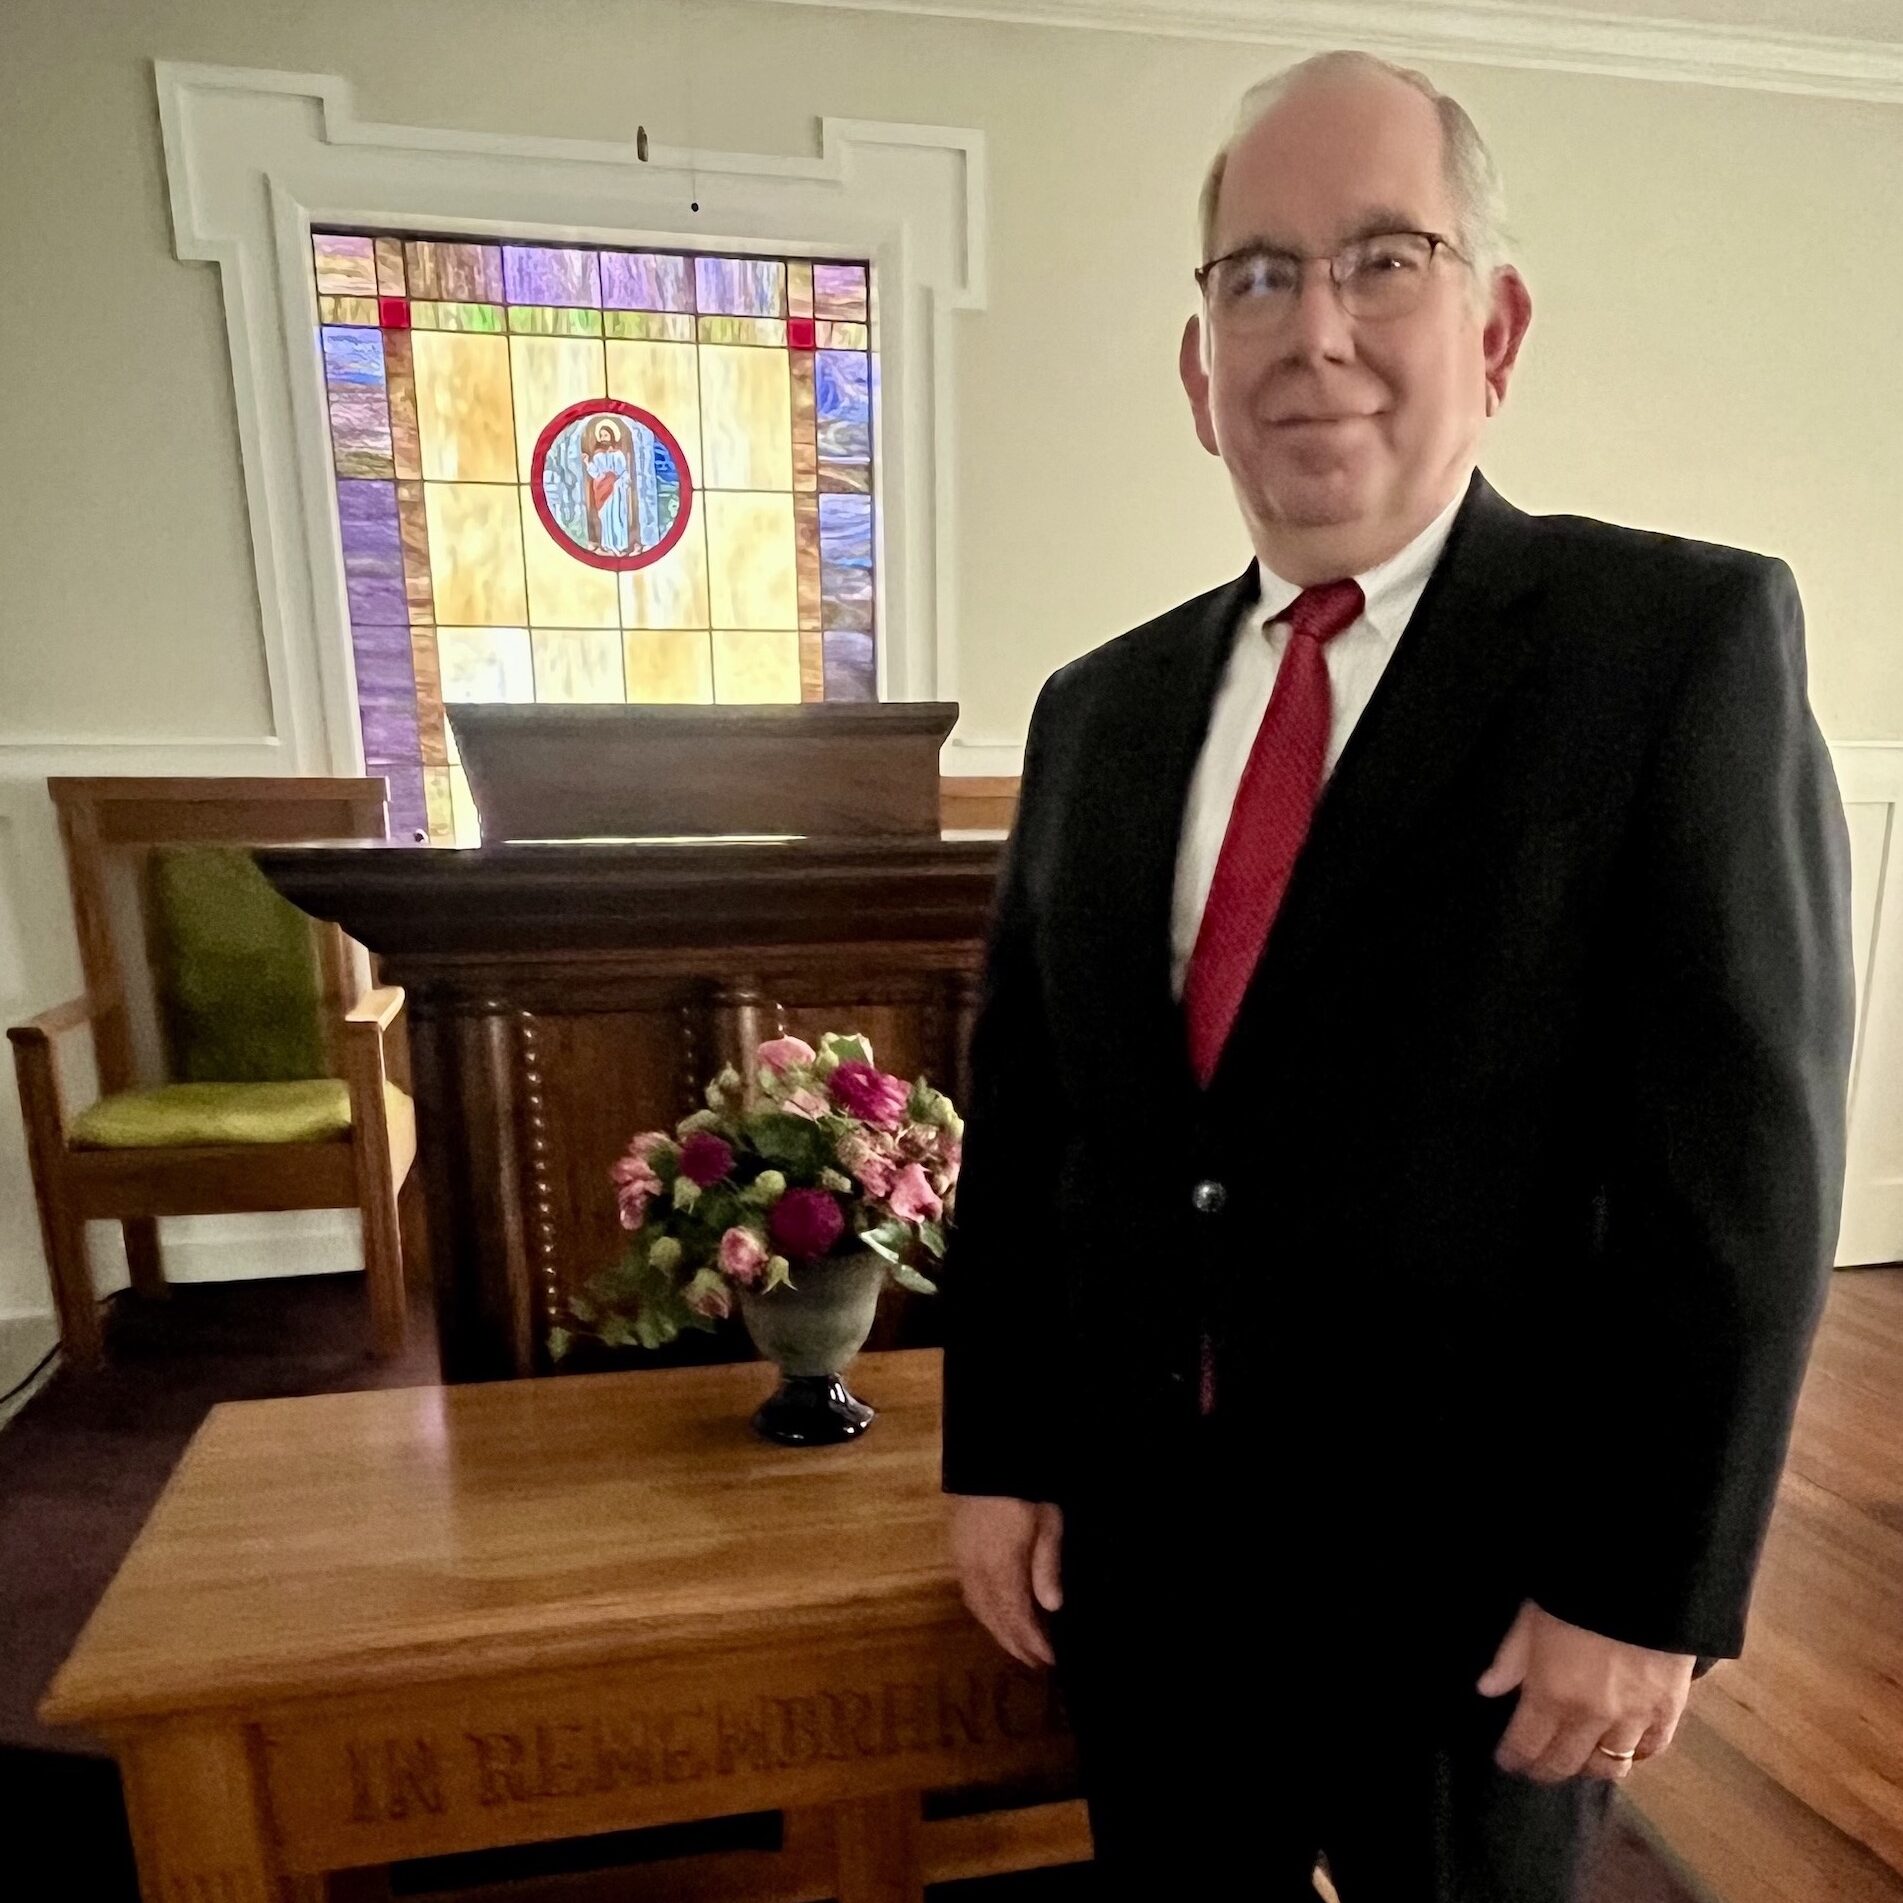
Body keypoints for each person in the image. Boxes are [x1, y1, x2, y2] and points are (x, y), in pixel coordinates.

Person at [939, 47, 1855, 1900]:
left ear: (1492, 330)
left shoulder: (1667, 650)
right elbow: (1034, 1125)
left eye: (1382, 259)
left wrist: (1644, 1584)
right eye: (1258, 277)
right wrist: (998, 1449)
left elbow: (1739, 1176)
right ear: (1197, 369)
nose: (1315, 331)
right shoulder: (1097, 712)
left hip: (1484, 1599)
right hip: (1149, 1562)